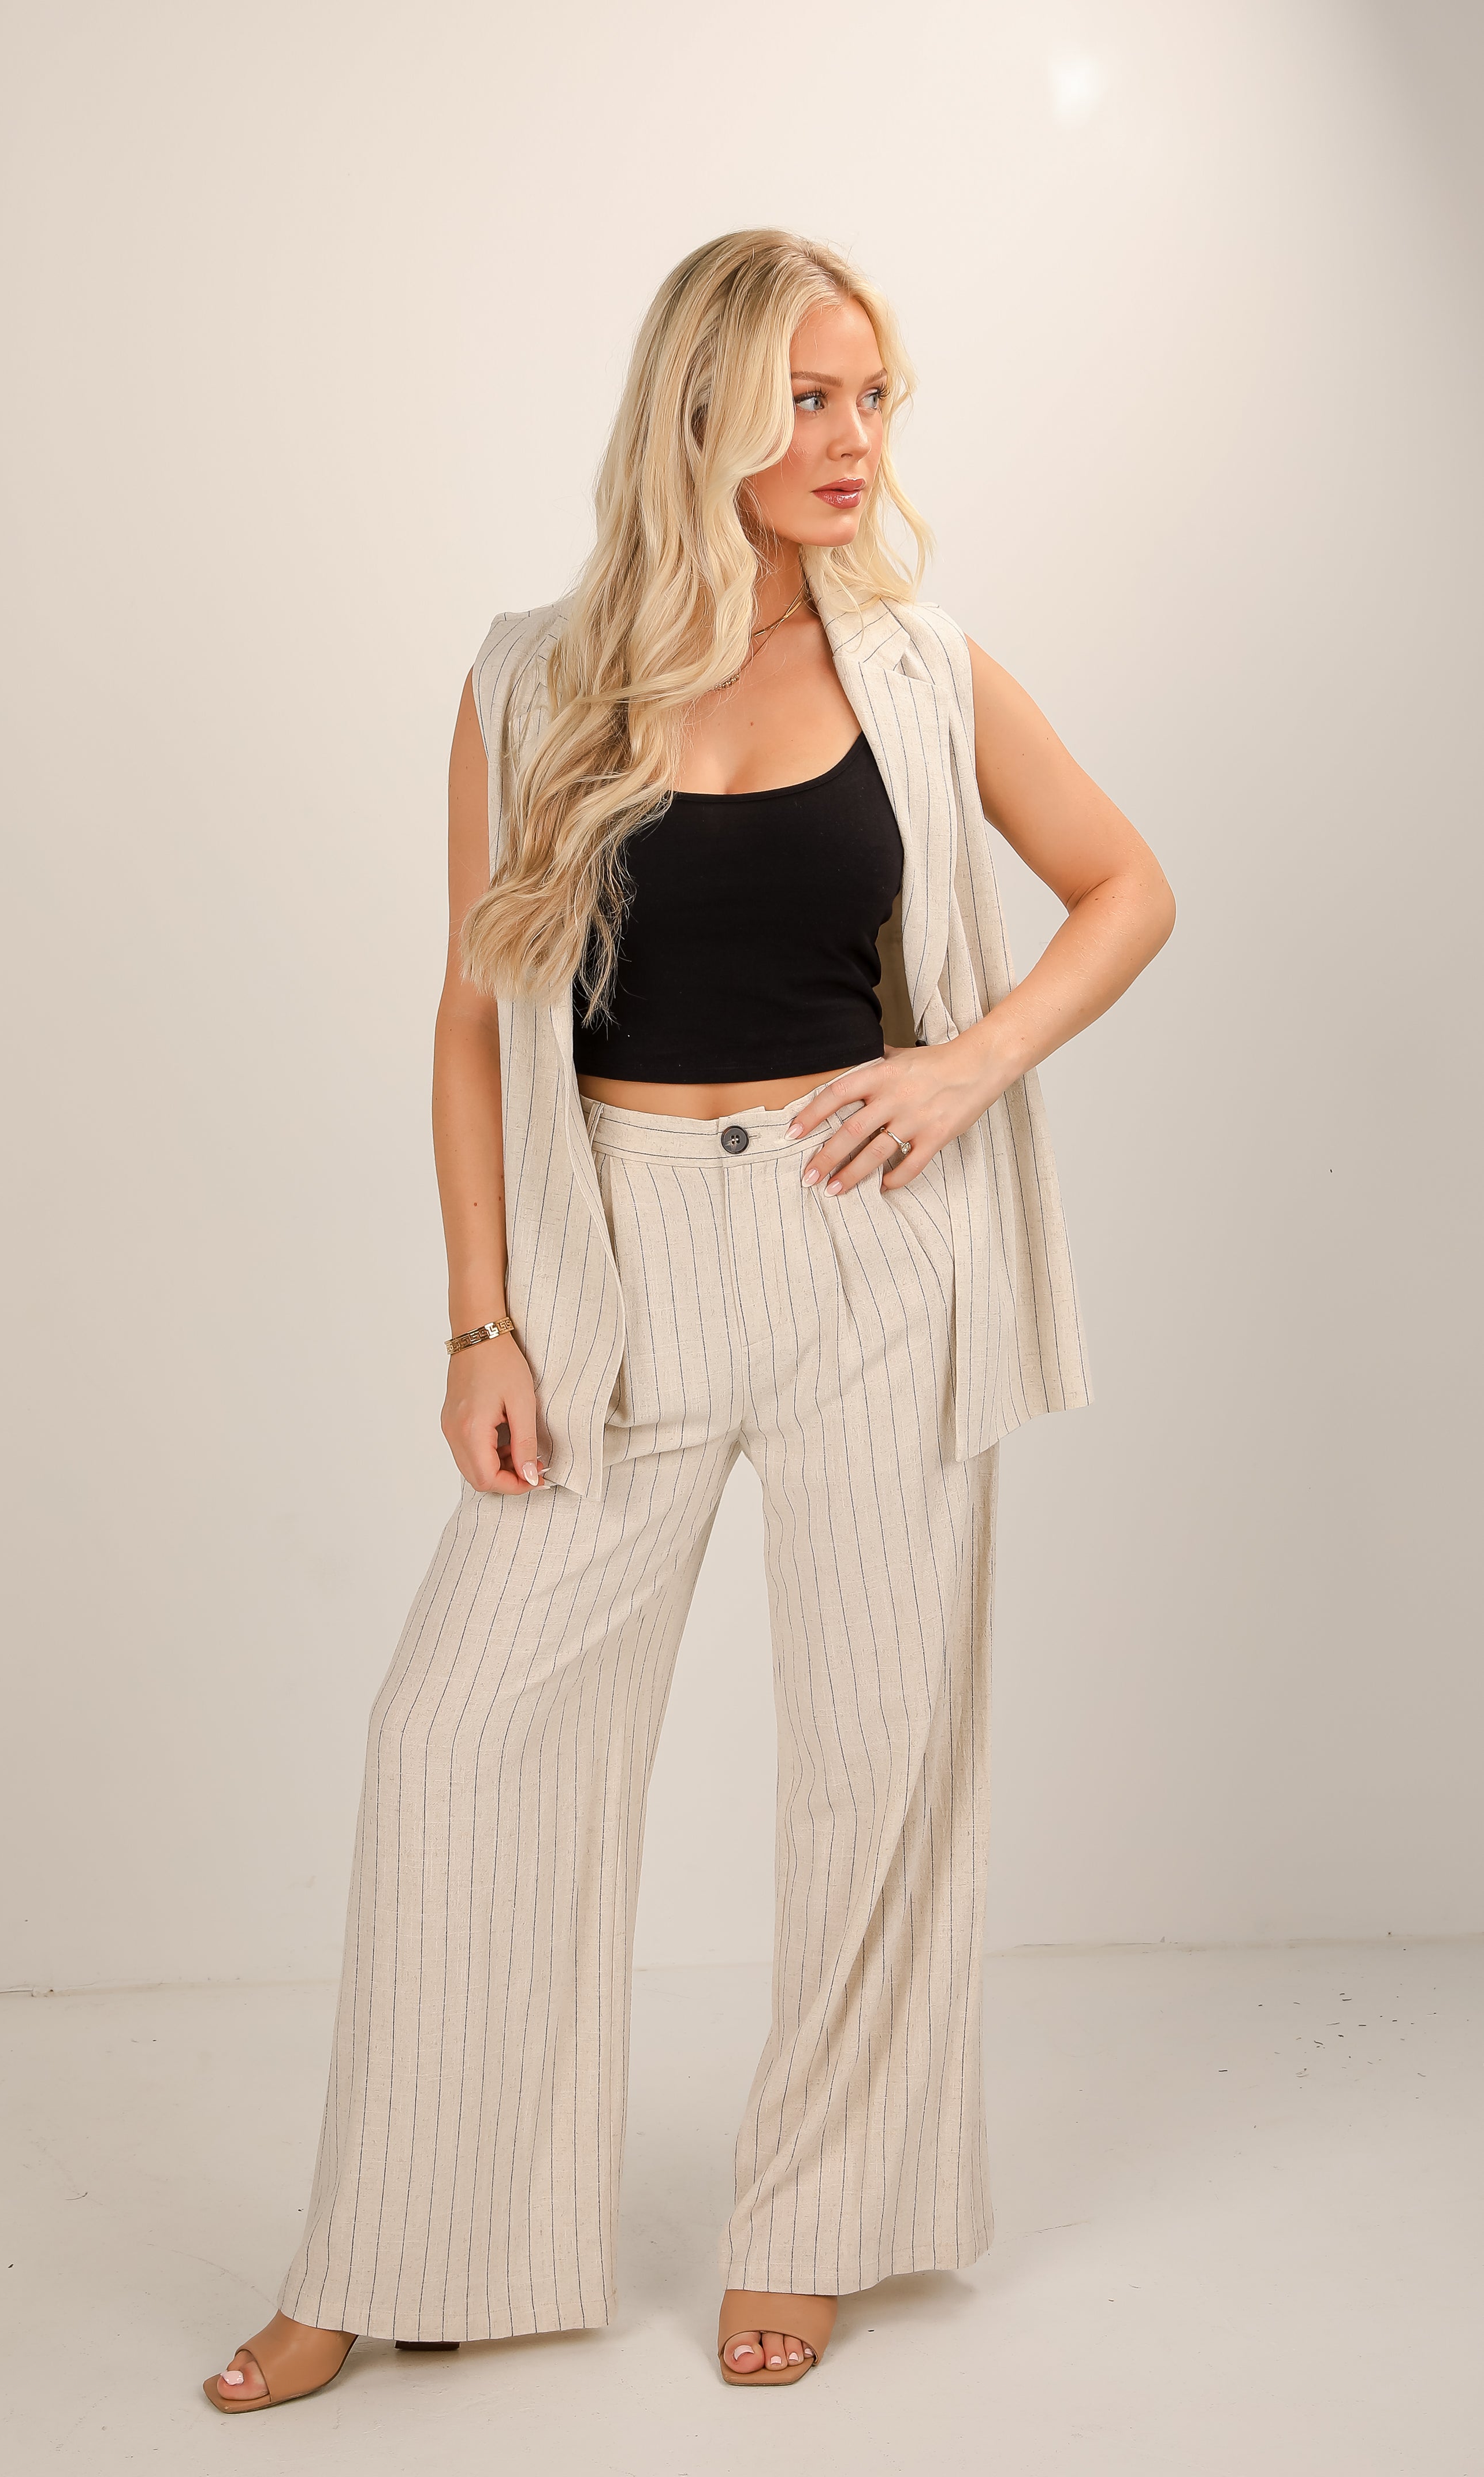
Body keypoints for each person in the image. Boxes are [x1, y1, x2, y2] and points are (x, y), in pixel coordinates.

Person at [202, 226, 1174, 2412]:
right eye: (811, 401)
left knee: (874, 1758)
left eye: (876, 403)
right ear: (703, 412)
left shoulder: (917, 664)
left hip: (867, 1252)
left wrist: (963, 1063)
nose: (854, 444)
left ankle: (825, 2215)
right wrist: (480, 1329)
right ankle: (399, 2235)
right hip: (613, 1260)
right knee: (455, 1746)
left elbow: (1128, 886)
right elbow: (469, 1018)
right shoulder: (530, 676)